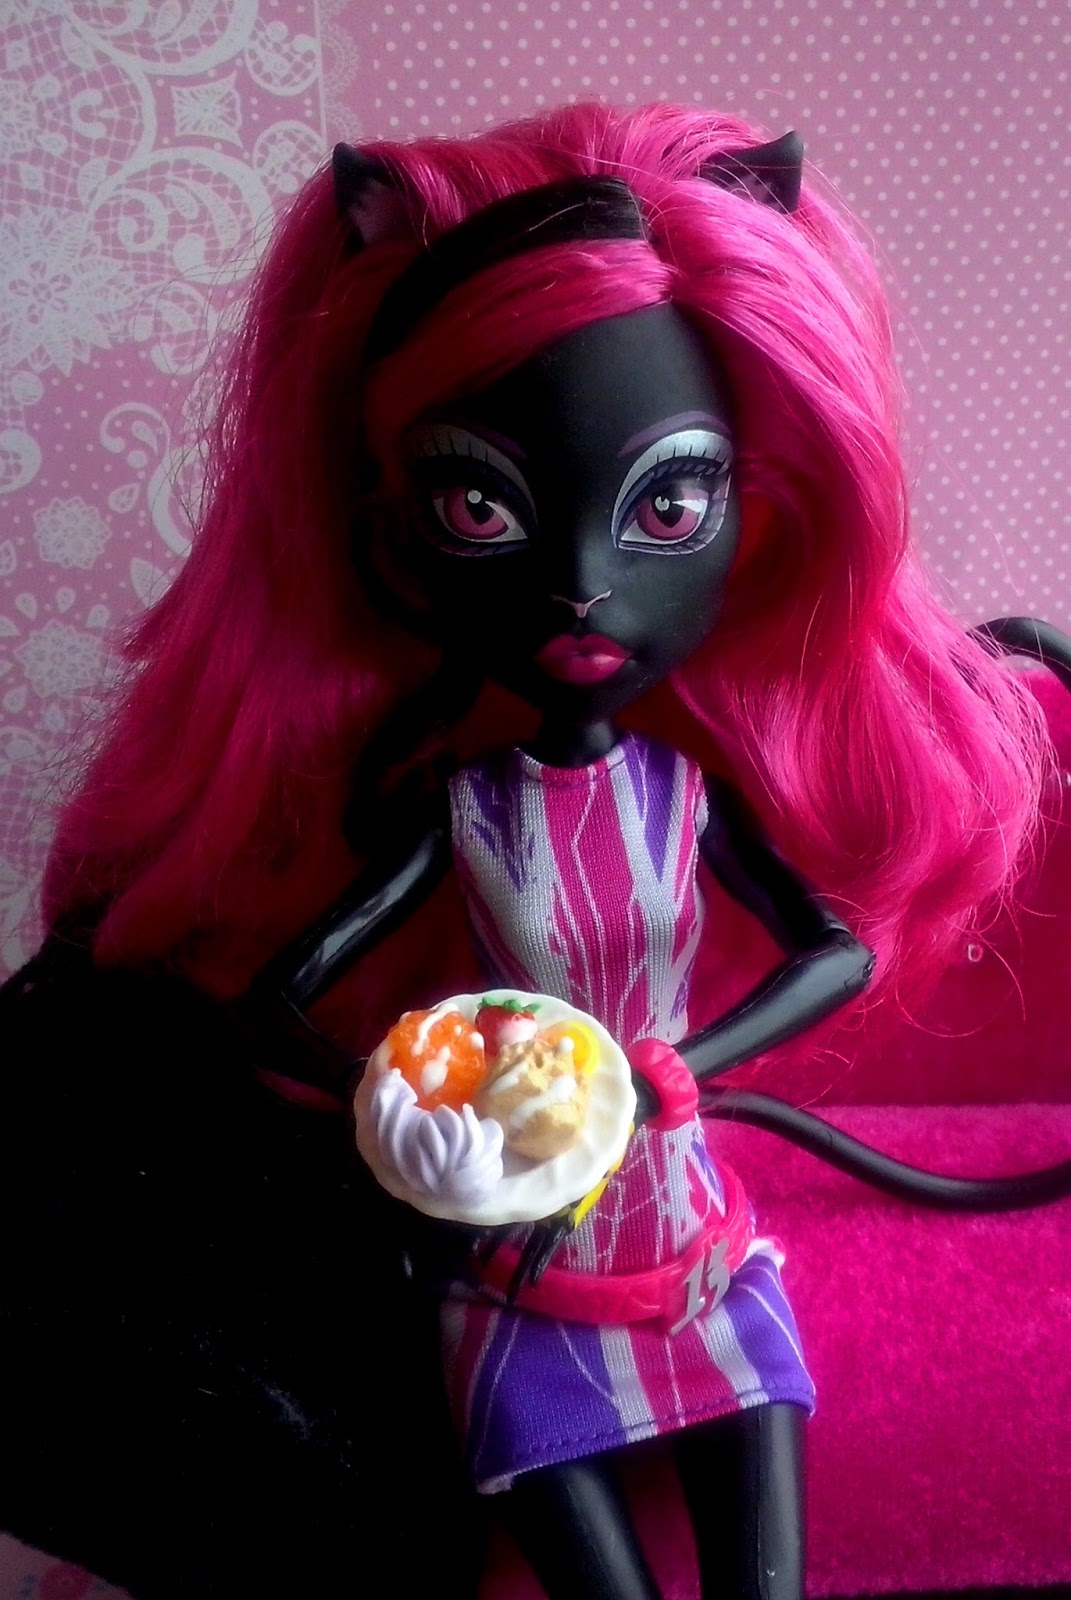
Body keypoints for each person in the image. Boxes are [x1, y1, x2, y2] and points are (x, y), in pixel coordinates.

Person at [2, 104, 1061, 1600]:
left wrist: (684, 1060)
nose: (579, 585)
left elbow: (836, 949)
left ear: (759, 511)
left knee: (761, 1505)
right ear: (390, 529)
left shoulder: (689, 799)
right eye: (479, 504)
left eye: (668, 505)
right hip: (515, 1249)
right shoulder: (463, 809)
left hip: (687, 1214)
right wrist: (402, 1091)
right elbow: (280, 992)